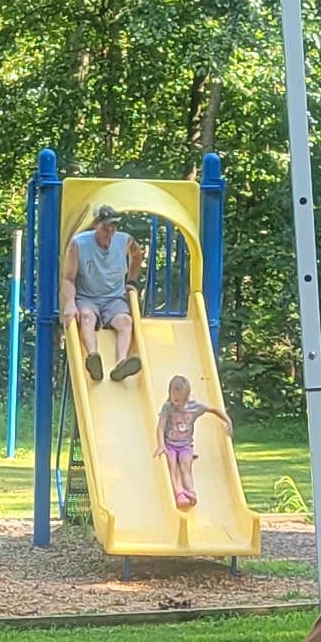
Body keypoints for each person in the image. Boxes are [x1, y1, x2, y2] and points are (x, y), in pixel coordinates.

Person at [68, 205, 143, 383]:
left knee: (126, 321)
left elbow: (137, 255)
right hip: (88, 297)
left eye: (113, 226)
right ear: (95, 225)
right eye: (105, 227)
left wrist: (131, 281)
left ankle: (121, 363)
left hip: (113, 298)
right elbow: (68, 279)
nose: (109, 231)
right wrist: (70, 302)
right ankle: (93, 357)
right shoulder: (79, 244)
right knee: (86, 317)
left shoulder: (125, 241)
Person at [157, 372, 227, 510]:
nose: (177, 403)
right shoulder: (168, 407)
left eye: (181, 400)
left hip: (185, 446)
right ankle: (179, 493)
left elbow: (213, 409)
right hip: (170, 445)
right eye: (175, 399)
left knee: (185, 467)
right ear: (169, 394)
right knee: (172, 466)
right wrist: (161, 445)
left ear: (187, 396)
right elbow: (160, 426)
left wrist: (228, 422)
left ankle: (190, 491)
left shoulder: (194, 407)